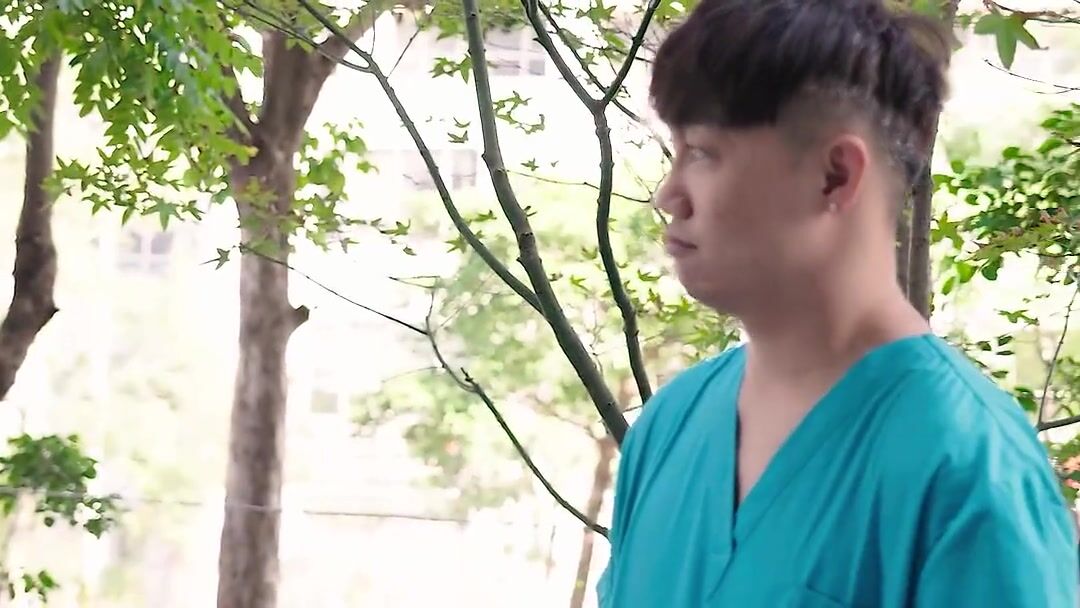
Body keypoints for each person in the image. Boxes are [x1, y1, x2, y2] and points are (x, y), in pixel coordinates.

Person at [596, 0, 1080, 606]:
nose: (668, 195)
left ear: (834, 176)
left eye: (702, 152)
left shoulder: (968, 469)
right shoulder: (670, 425)